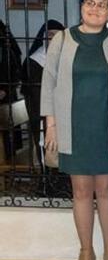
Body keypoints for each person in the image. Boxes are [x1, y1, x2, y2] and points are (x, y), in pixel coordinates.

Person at [40, 0, 108, 260]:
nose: (95, 9)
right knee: (80, 191)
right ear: (81, 7)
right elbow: (49, 82)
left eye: (102, 5)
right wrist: (50, 125)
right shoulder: (62, 39)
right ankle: (86, 253)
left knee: (106, 191)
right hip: (72, 126)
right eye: (90, 3)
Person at [21, 19, 64, 165]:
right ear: (43, 38)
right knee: (48, 149)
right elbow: (33, 95)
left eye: (58, 36)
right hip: (41, 114)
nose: (53, 39)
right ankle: (48, 182)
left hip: (65, 114)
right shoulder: (34, 61)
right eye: (50, 35)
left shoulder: (68, 58)